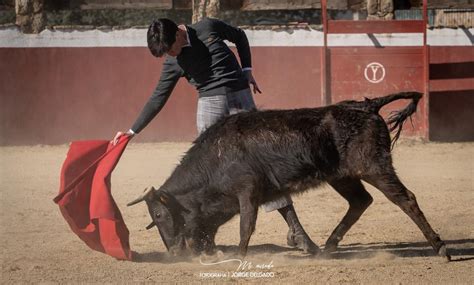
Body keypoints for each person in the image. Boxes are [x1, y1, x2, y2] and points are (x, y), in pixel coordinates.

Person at [113, 18, 318, 254]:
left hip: (240, 96)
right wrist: (131, 131)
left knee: (262, 166)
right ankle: (204, 240)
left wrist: (247, 69)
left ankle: (296, 230)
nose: (171, 54)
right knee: (209, 176)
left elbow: (240, 35)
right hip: (210, 104)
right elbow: (157, 98)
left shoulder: (207, 28)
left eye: (171, 48)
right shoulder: (173, 62)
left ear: (179, 34)